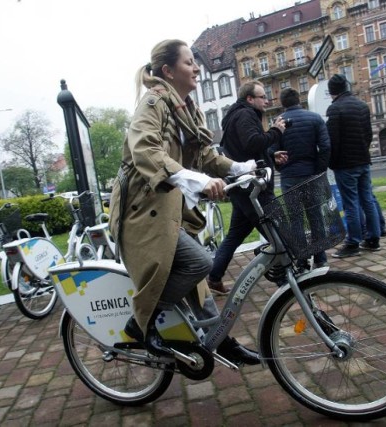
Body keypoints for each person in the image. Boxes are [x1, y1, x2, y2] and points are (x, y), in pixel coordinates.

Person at [109, 39, 259, 365]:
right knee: (200, 263)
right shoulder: (153, 103)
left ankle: (218, 338)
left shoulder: (186, 108)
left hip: (168, 206)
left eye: (195, 62)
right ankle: (140, 323)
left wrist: (239, 167)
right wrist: (198, 180)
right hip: (142, 207)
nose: (196, 68)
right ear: (168, 70)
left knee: (198, 284)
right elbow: (146, 151)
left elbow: (204, 154)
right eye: (189, 62)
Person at [206, 80, 286, 293]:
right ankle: (288, 280)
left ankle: (214, 278)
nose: (267, 100)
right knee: (276, 232)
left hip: (245, 187)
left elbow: (245, 150)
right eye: (262, 97)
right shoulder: (245, 115)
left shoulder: (238, 116)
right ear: (250, 99)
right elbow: (252, 142)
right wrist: (276, 131)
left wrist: (270, 154)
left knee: (235, 236)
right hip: (253, 189)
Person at [269, 87, 331, 268]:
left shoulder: (278, 122)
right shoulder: (315, 119)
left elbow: (272, 151)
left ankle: (302, 259)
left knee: (295, 218)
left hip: (289, 176)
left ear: (282, 103)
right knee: (315, 216)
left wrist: (281, 166)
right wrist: (319, 170)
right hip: (311, 174)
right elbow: (326, 147)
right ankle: (320, 258)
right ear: (299, 99)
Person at [325, 74, 381, 258]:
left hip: (345, 164)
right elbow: (368, 134)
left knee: (350, 203)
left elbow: (333, 140)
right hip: (363, 160)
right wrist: (362, 151)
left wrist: (332, 162)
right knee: (368, 200)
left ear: (332, 91)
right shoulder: (362, 106)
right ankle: (373, 239)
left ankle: (353, 242)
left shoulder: (335, 109)